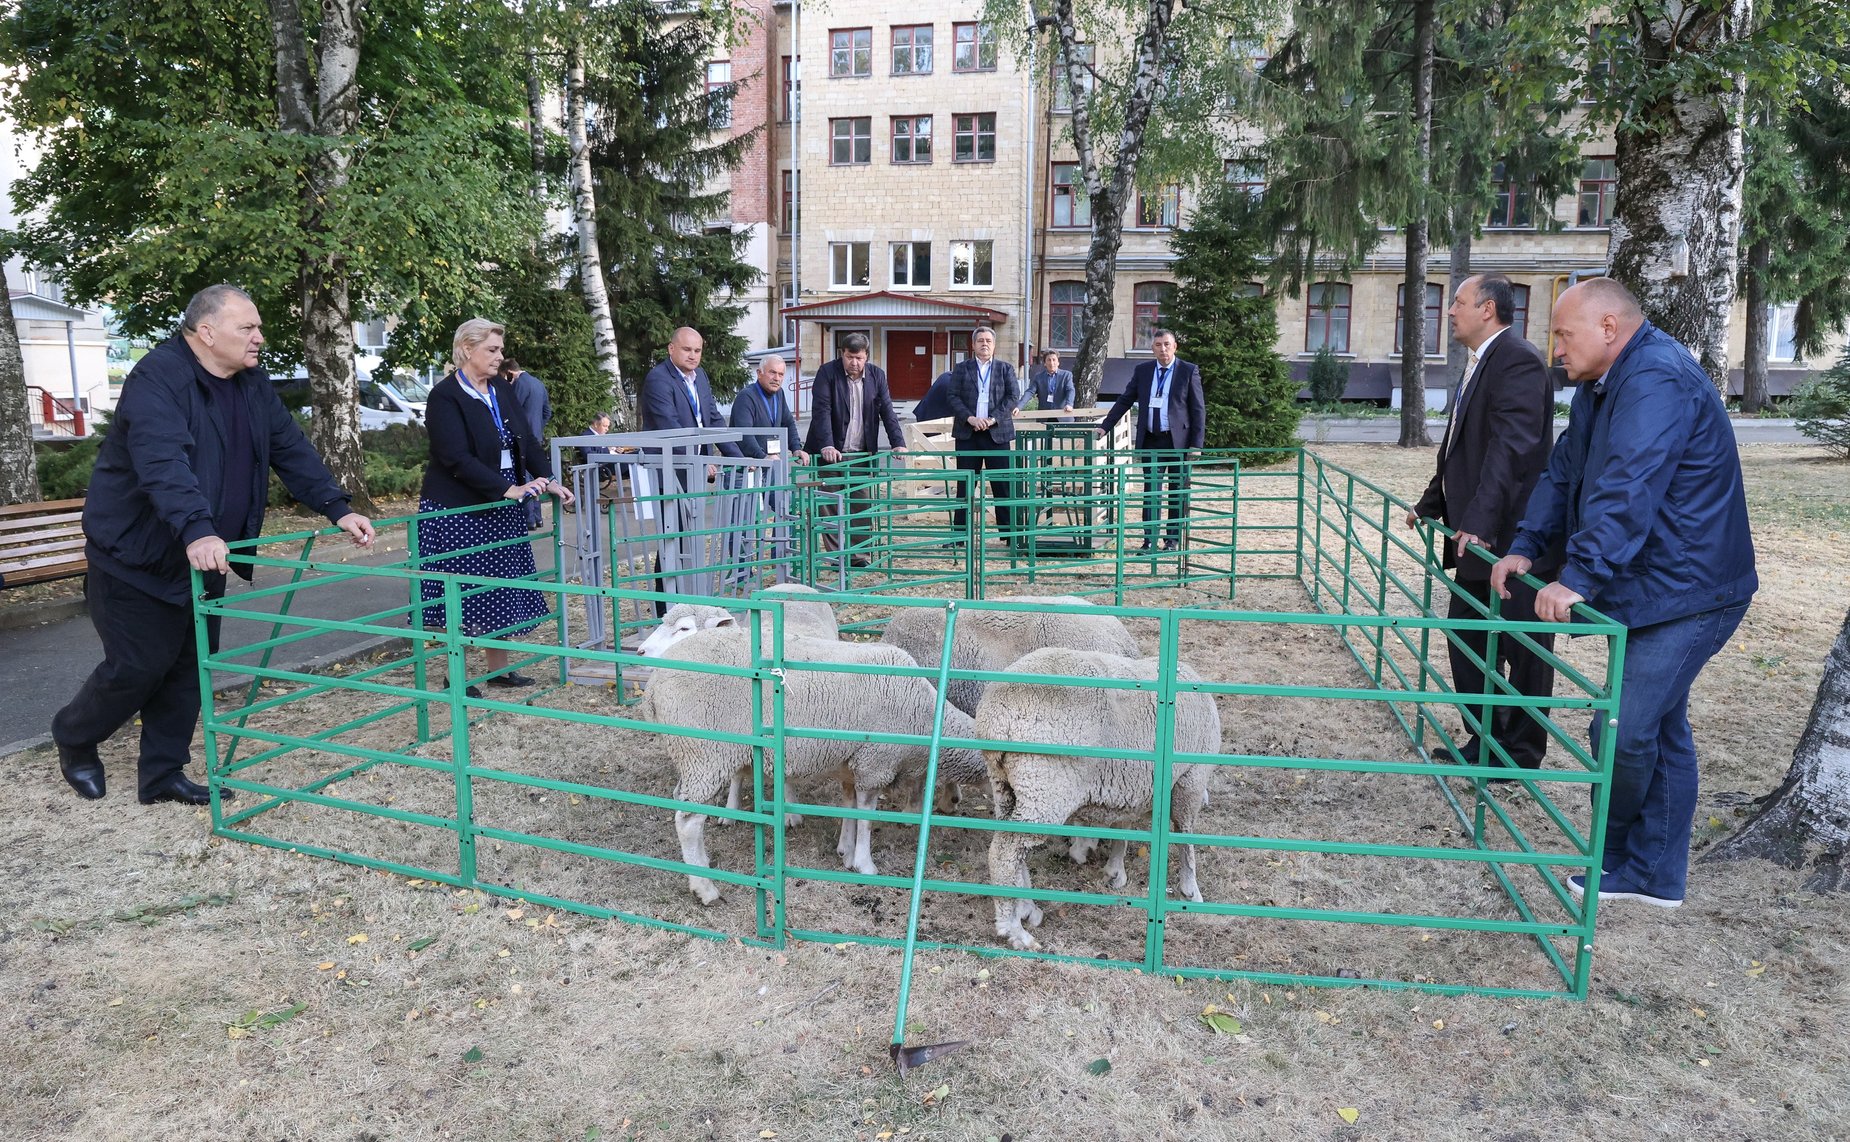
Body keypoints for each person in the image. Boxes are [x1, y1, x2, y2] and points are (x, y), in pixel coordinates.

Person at [50, 284, 375, 806]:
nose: (259, 337)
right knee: (138, 666)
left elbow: (289, 447)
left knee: (189, 665)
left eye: (258, 327)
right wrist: (197, 528)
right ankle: (74, 735)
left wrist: (338, 507)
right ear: (206, 332)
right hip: (137, 554)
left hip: (206, 555)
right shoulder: (158, 377)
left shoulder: (250, 382)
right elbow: (162, 461)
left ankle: (162, 774)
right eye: (247, 327)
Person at [1490, 278, 1757, 910]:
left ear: (1609, 328)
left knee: (1622, 727)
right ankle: (1654, 873)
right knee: (1659, 730)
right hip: (1657, 586)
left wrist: (1578, 576)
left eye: (1564, 334)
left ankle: (1619, 859)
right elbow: (1565, 470)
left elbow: (1629, 485)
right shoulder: (1600, 385)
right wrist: (1527, 544)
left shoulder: (1655, 379)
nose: (1555, 348)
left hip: (1692, 591)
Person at [1406, 273, 1560, 774]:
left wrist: (1479, 522)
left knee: (1523, 647)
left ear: (1488, 309)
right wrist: (1431, 503)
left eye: (1459, 302)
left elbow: (1510, 450)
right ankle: (1487, 741)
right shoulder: (1481, 360)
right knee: (1467, 636)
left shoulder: (1517, 360)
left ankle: (1519, 754)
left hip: (1513, 539)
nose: (1450, 311)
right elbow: (1461, 449)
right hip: (1478, 537)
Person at [416, 318, 574, 697]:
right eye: (492, 349)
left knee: (499, 589)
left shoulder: (500, 387)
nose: (500, 356)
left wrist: (548, 478)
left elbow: (527, 440)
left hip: (502, 502)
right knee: (463, 594)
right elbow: (454, 457)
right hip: (459, 508)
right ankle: (455, 677)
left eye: (500, 349)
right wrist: (507, 488)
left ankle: (498, 671)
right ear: (467, 349)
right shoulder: (444, 396)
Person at [803, 333, 908, 566]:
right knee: (830, 505)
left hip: (861, 453)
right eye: (850, 357)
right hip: (832, 454)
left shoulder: (877, 376)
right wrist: (827, 444)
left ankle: (859, 555)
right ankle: (836, 557)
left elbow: (887, 410)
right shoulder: (827, 373)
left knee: (861, 505)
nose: (854, 363)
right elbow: (821, 410)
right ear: (842, 354)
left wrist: (897, 442)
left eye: (859, 358)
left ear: (866, 356)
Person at [1096, 329, 1203, 551]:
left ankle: (1172, 540)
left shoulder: (1188, 371)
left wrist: (1196, 444)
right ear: (1153, 348)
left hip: (1178, 442)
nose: (1163, 349)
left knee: (1176, 491)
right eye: (1158, 345)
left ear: (1175, 346)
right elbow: (1125, 400)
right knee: (1151, 492)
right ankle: (1149, 539)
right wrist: (1105, 426)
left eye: (1167, 344)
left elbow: (1198, 409)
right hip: (1151, 441)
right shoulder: (1143, 371)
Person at [944, 327, 1021, 537]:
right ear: (973, 345)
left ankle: (1008, 536)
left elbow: (1013, 396)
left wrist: (992, 419)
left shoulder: (1005, 369)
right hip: (968, 434)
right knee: (966, 486)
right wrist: (970, 418)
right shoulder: (961, 368)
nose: (984, 344)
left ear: (994, 345)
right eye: (980, 340)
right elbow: (952, 396)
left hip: (997, 435)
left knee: (1002, 486)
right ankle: (960, 536)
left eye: (988, 340)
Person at [501, 357, 553, 530]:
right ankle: (538, 517)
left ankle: (529, 519)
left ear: (509, 373)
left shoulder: (520, 384)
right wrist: (538, 428)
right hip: (536, 437)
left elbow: (512, 410)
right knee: (537, 479)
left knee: (525, 480)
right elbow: (547, 412)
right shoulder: (538, 383)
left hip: (522, 439)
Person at [728, 355, 807, 465]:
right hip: (746, 468)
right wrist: (762, 457)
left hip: (769, 463)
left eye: (781, 374)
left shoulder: (779, 393)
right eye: (772, 372)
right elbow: (744, 433)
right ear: (759, 373)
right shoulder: (746, 396)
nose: (777, 378)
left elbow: (788, 423)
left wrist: (796, 448)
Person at [1030, 349, 1076, 419]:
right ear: (1045, 363)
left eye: (1054, 360)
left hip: (1063, 416)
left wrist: (1069, 404)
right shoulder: (1038, 377)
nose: (1051, 363)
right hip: (1045, 417)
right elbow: (1030, 392)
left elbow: (1070, 390)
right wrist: (1018, 407)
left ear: (1058, 362)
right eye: (1049, 360)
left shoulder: (1066, 375)